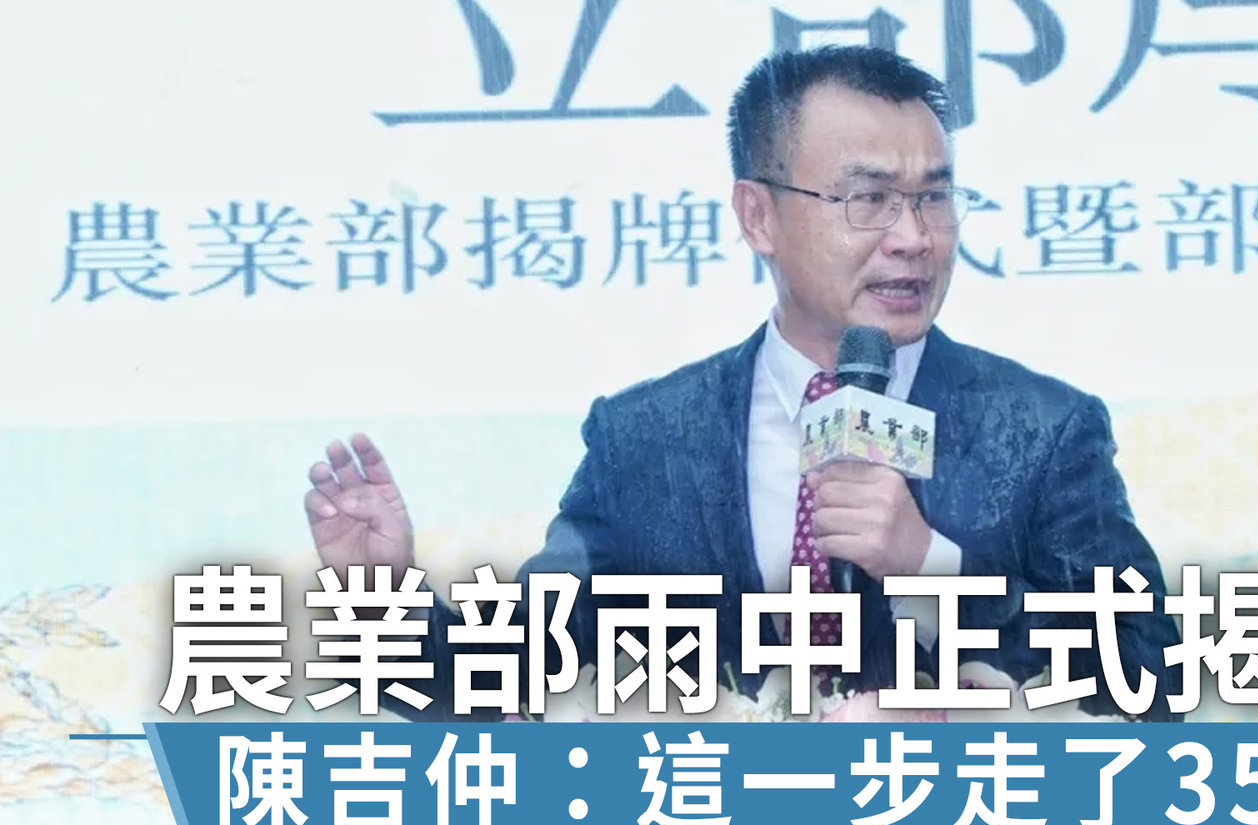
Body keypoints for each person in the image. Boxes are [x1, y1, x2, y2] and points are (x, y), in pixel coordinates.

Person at [303, 45, 1181, 721]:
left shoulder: (1042, 429)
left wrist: (931, 567)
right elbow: (506, 676)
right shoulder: (649, 440)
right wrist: (381, 602)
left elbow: (1153, 678)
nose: (914, 237)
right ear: (759, 215)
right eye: (869, 199)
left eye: (934, 198)